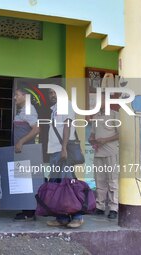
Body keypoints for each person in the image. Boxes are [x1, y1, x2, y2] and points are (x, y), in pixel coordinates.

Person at [45, 88, 84, 228]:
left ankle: (78, 216)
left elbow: (67, 125)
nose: (52, 95)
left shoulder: (66, 105)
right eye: (50, 93)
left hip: (62, 151)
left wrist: (64, 148)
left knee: (69, 184)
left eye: (55, 92)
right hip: (55, 151)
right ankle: (61, 217)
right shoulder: (54, 109)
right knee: (57, 185)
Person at [89, 92, 120, 219]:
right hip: (98, 154)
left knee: (112, 181)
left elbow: (121, 134)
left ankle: (114, 208)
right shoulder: (95, 116)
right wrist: (91, 139)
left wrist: (105, 140)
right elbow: (92, 134)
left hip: (111, 152)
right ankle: (100, 207)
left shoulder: (115, 115)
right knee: (99, 181)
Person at [12, 88, 40, 221]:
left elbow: (36, 129)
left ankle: (29, 212)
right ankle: (26, 211)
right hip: (21, 153)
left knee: (27, 182)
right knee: (22, 181)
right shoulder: (22, 111)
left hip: (26, 151)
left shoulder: (29, 110)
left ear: (24, 96)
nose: (14, 97)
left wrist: (21, 142)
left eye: (16, 95)